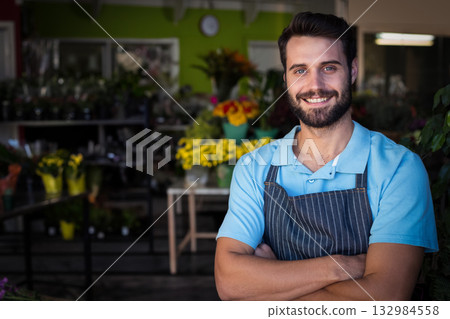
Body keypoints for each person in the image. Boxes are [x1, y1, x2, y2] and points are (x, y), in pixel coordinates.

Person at [214, 12, 438, 301]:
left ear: (353, 71)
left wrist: (271, 280)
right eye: (300, 70)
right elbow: (230, 284)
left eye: (329, 67)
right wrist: (344, 266)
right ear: (286, 79)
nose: (314, 84)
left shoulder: (399, 168)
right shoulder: (254, 167)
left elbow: (384, 297)